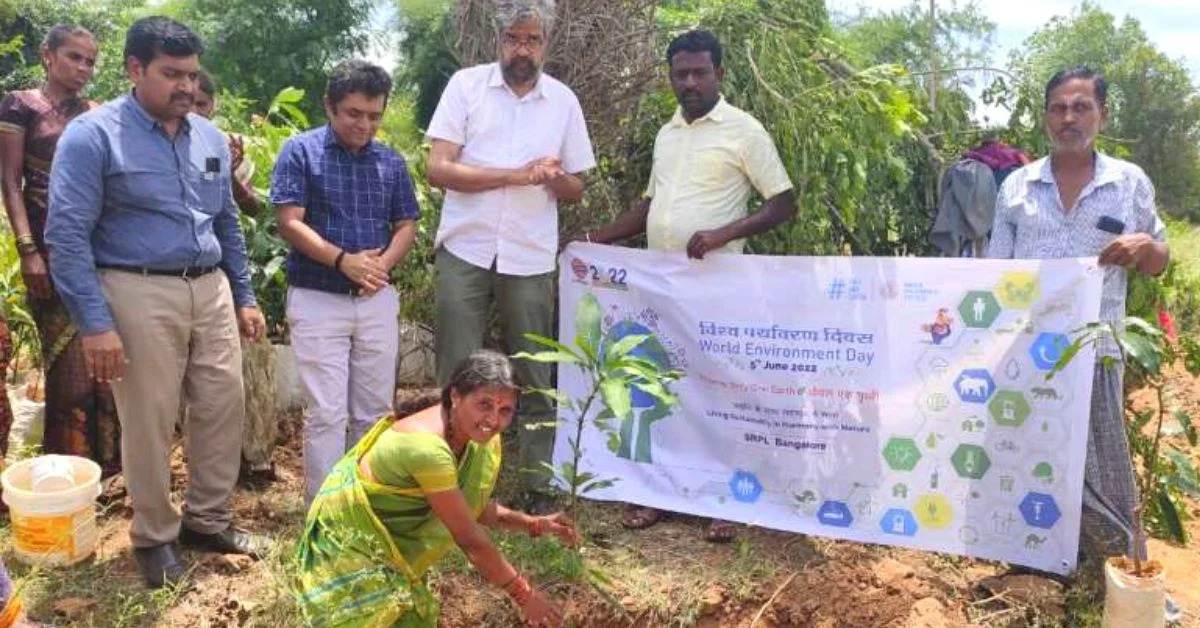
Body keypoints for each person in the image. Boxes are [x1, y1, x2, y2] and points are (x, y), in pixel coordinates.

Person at [46, 16, 270, 588]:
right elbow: (67, 235)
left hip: (210, 287)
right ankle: (154, 536)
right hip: (135, 287)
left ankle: (208, 520)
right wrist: (96, 325)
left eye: (192, 76)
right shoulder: (94, 136)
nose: (187, 88)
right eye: (172, 75)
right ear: (135, 69)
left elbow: (226, 221)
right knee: (147, 418)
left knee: (222, 405)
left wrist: (243, 294)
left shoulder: (209, 137)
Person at [574, 30, 796, 542]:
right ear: (671, 77)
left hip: (719, 290)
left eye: (700, 72)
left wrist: (723, 234)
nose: (690, 82)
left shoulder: (744, 130)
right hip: (662, 291)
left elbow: (783, 202)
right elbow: (649, 208)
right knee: (662, 388)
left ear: (718, 72)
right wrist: (589, 238)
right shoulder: (666, 134)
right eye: (681, 74)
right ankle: (659, 494)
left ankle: (728, 499)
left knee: (720, 391)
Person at [986, 67, 1170, 561]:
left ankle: (1123, 573)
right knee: (1031, 460)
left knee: (1108, 471)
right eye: (1058, 107)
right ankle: (1037, 563)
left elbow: (1160, 260)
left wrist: (1145, 244)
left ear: (1102, 115)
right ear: (1046, 117)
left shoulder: (1128, 184)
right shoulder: (1017, 188)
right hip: (1027, 353)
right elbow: (992, 273)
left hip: (1098, 350)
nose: (1069, 117)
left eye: (1081, 106)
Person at [425, 0, 595, 513]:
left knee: (536, 370)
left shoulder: (562, 101)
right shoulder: (466, 87)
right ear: (498, 42)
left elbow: (576, 189)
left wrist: (551, 177)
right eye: (514, 39)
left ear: (546, 46)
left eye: (533, 40)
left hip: (530, 254)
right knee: (456, 367)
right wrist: (515, 175)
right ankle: (443, 477)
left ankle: (539, 485)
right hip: (465, 246)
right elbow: (438, 169)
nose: (523, 49)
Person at [294, 350, 577, 627]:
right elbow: (469, 537)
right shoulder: (427, 448)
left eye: (505, 410)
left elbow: (469, 507)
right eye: (484, 404)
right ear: (455, 395)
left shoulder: (471, 435)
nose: (493, 420)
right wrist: (523, 594)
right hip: (350, 551)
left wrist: (531, 524)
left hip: (388, 552)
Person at [270, 59, 420, 504]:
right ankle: (325, 508)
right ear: (329, 106)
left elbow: (407, 224)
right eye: (354, 113)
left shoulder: (390, 161)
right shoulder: (301, 151)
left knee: (374, 411)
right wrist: (343, 261)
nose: (364, 124)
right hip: (318, 297)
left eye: (374, 116)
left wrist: (379, 267)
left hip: (375, 298)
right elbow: (289, 222)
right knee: (326, 413)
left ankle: (366, 501)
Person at [0, 25, 119, 477]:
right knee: (68, 371)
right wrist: (28, 250)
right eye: (74, 57)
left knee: (108, 363)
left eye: (90, 61)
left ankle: (112, 472)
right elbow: (11, 184)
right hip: (48, 254)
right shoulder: (22, 105)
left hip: (102, 254)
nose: (83, 69)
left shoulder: (96, 113)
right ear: (47, 55)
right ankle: (69, 471)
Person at [192, 69, 261, 215]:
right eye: (188, 103)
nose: (194, 112)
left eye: (201, 104)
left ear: (213, 104)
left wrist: (229, 176)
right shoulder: (161, 139)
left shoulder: (221, 145)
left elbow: (253, 209)